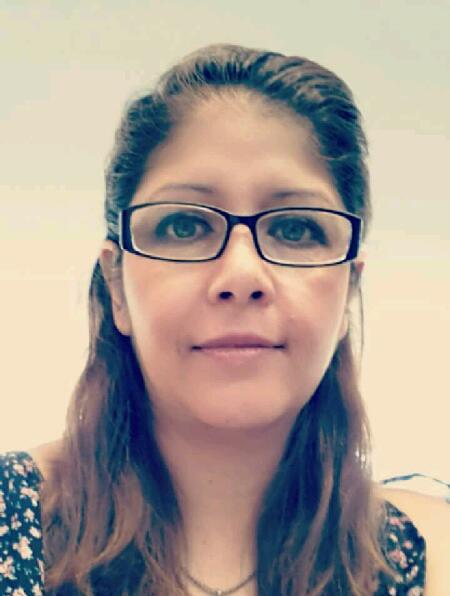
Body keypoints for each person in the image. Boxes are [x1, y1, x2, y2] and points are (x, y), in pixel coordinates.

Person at [0, 43, 448, 596]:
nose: (240, 274)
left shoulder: (429, 555)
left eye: (295, 229)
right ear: (117, 285)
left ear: (348, 291)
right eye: (185, 226)